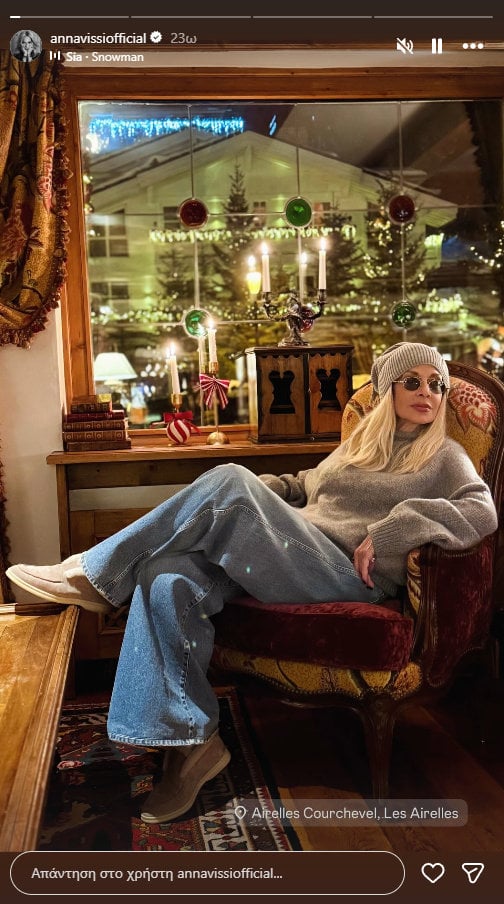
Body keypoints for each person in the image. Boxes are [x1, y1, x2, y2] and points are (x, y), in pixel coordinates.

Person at [6, 342, 498, 823]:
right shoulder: (359, 448)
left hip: (346, 575)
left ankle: (94, 574)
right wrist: (259, 492)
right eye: (412, 381)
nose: (428, 392)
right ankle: (192, 747)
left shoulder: (445, 455)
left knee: (229, 479)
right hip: (293, 555)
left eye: (436, 384)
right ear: (388, 389)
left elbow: (482, 511)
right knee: (166, 576)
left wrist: (394, 529)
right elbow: (306, 486)